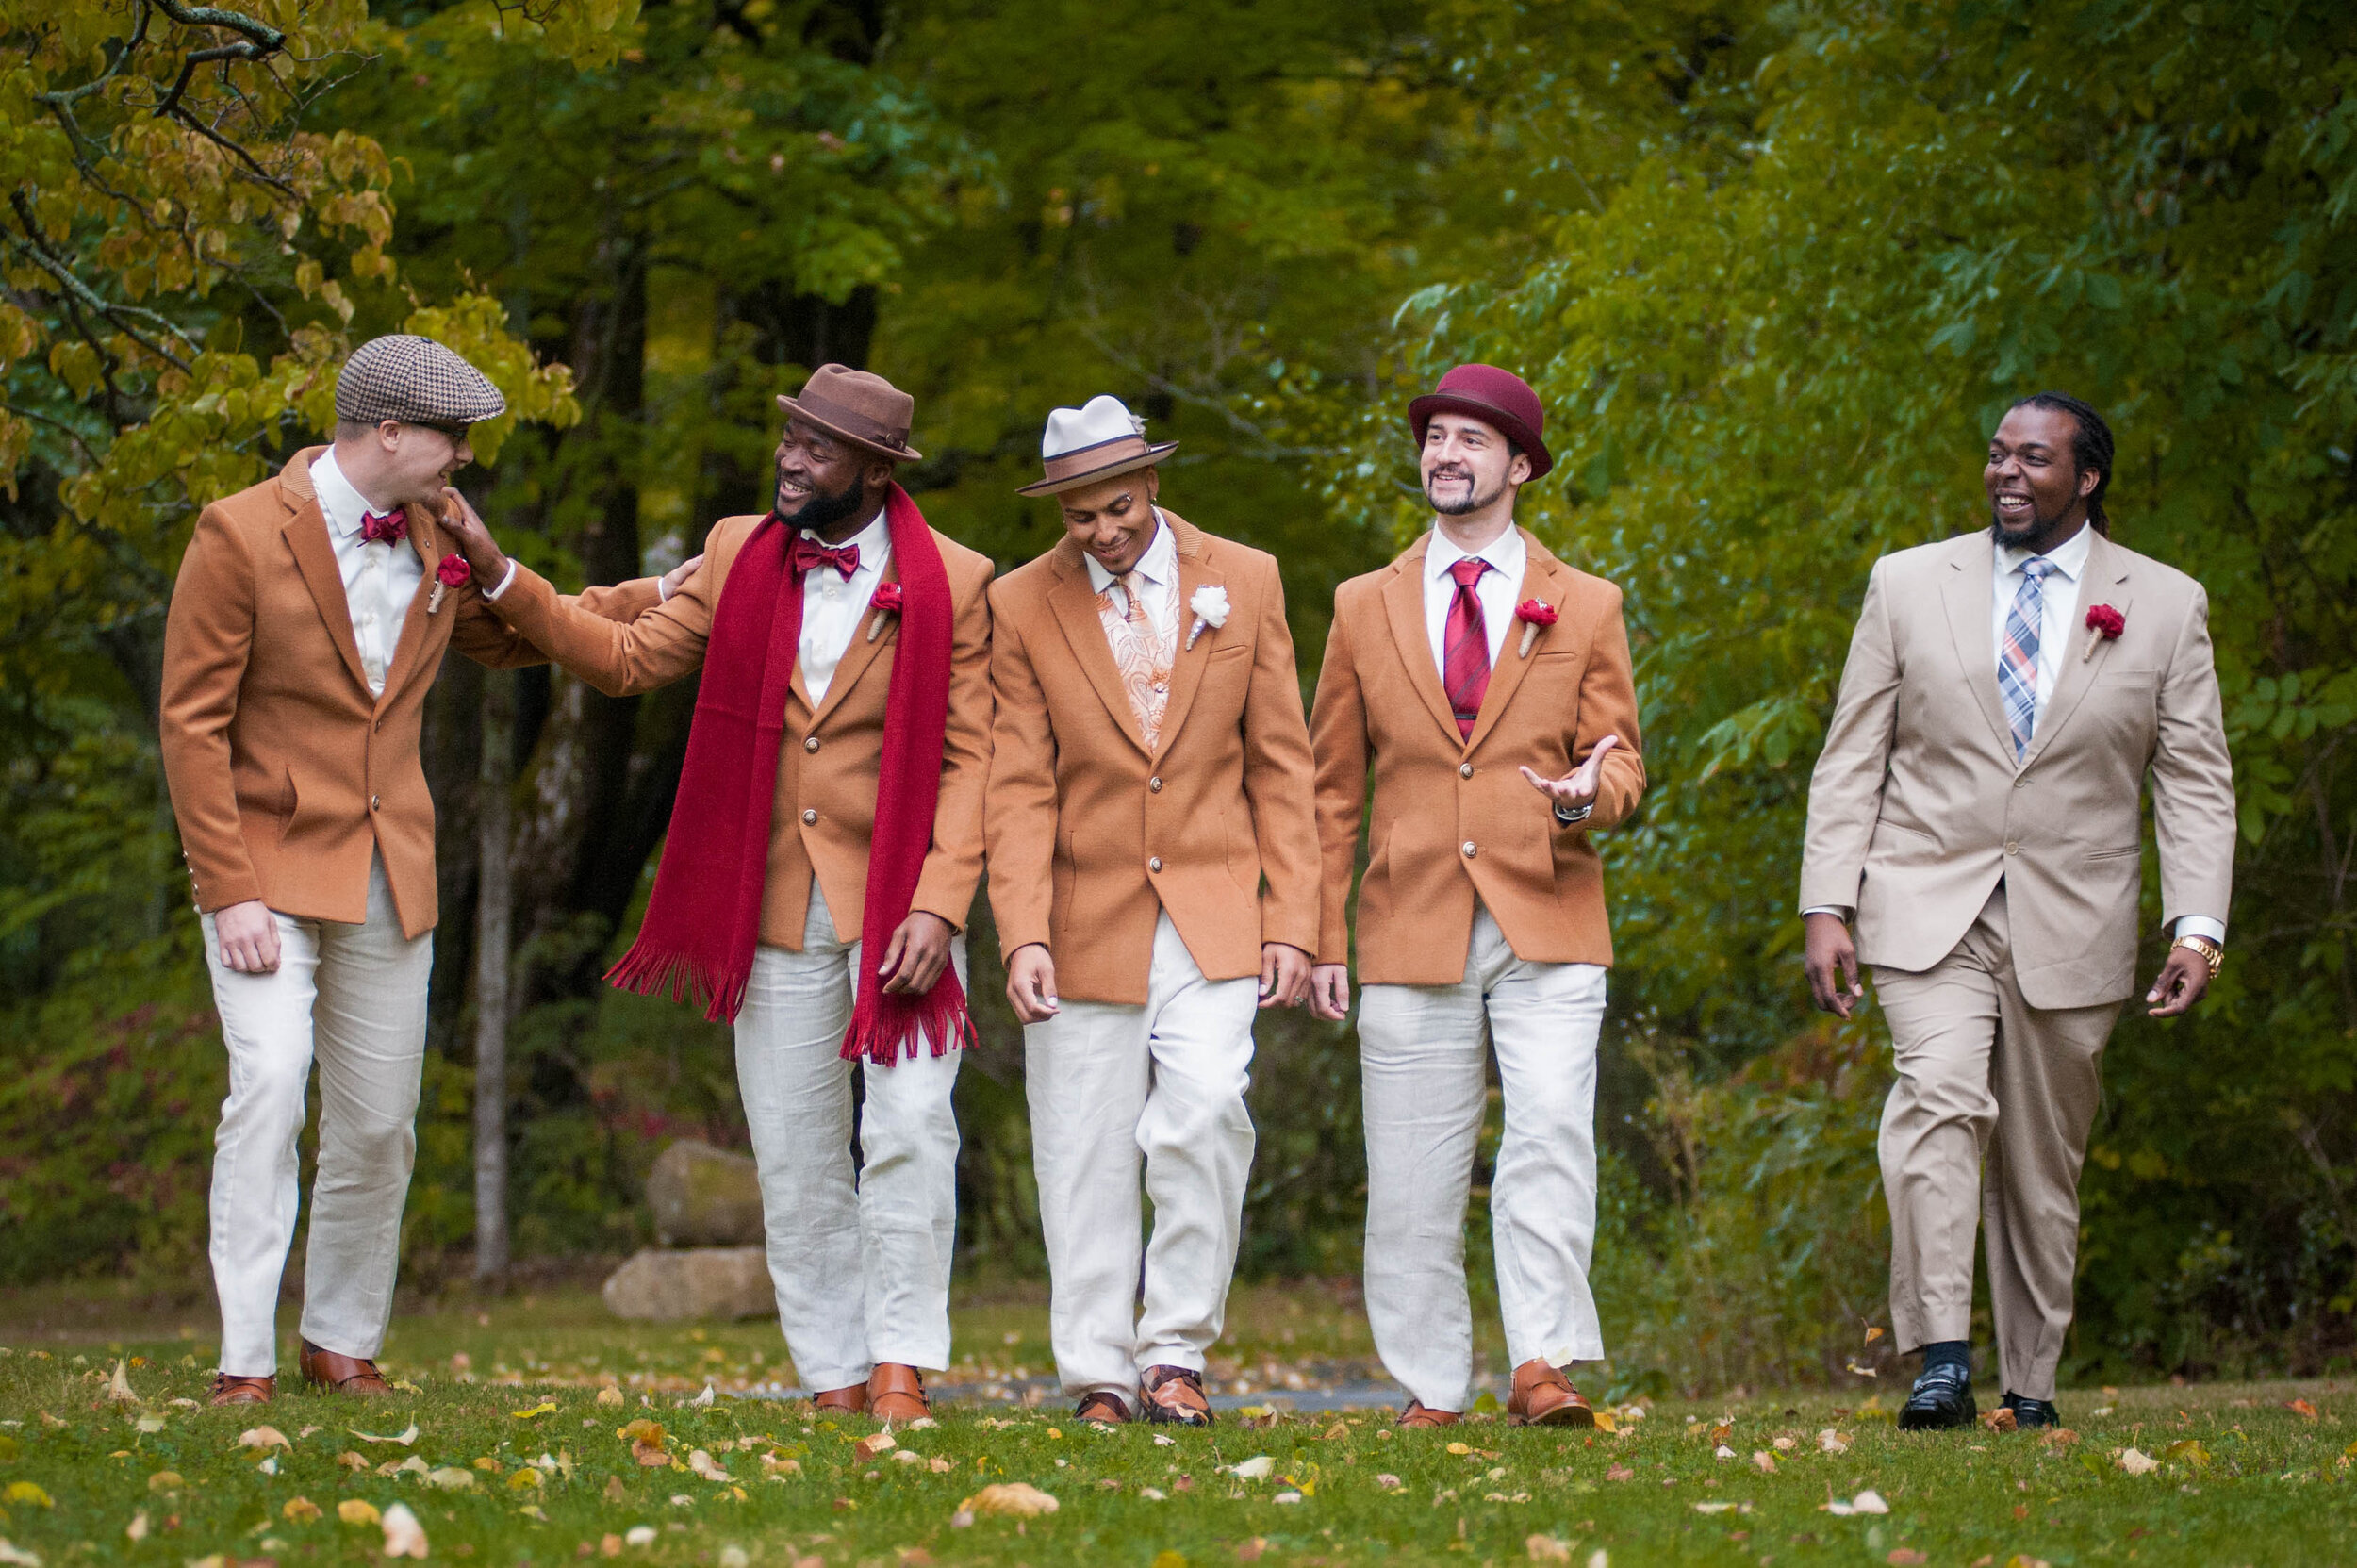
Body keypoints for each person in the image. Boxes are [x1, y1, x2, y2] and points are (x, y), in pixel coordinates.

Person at [438, 364, 993, 1423]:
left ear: (875, 471)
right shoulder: (738, 551)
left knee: (914, 1128)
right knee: (793, 1150)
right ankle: (833, 1372)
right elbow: (623, 655)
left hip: (900, 909)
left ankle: (901, 1366)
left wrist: (942, 900)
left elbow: (976, 758)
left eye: (818, 448)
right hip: (773, 902)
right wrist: (499, 571)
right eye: (788, 437)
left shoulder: (959, 579)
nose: (790, 458)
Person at [161, 334, 679, 1405]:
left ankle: (340, 1339)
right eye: (453, 439)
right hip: (263, 870)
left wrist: (651, 593)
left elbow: (519, 633)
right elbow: (190, 724)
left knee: (380, 1121)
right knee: (265, 1088)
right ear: (388, 432)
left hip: (390, 872)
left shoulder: (440, 530)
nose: (464, 462)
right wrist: (229, 889)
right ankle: (242, 1358)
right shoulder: (240, 533)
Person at [1799, 392, 2234, 1430]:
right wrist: (1827, 899)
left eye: (2032, 459)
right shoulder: (1906, 584)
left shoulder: (2166, 605)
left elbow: (2194, 780)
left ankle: (2029, 1381)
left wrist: (2197, 925)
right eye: (1995, 453)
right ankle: (1941, 1357)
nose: (2005, 472)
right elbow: (1853, 751)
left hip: (2074, 916)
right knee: (1936, 1104)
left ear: (2085, 478)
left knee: (2042, 1163)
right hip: (1922, 899)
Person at [1308, 363, 1643, 1429]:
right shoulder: (1362, 605)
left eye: (1471, 439)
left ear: (1519, 466)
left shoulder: (1586, 603)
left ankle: (1540, 1361)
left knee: (1547, 1134)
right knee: (1410, 1168)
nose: (1445, 454)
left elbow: (1620, 759)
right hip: (1407, 916)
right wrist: (1318, 937)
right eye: (1435, 436)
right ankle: (1430, 1384)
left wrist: (1590, 793)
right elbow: (1327, 789)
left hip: (1549, 910)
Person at [985, 394, 1318, 1425]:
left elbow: (1282, 762)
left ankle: (1174, 1350)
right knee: (1081, 1146)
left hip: (1216, 907)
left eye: (1118, 507)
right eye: (1080, 516)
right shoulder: (1017, 604)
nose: (1103, 532)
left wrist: (1294, 920)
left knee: (1208, 1111)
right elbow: (1019, 783)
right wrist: (1023, 930)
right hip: (1084, 911)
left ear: (1153, 486)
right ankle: (1097, 1371)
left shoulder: (1246, 580)